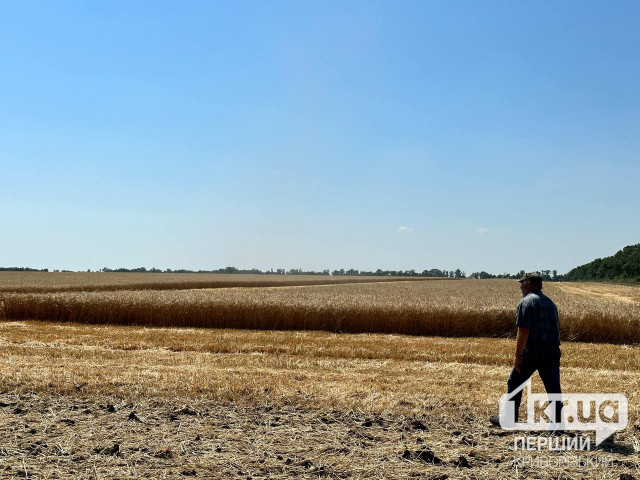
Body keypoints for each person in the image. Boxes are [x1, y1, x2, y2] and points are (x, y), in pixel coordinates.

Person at [491, 272, 562, 427]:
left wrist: (517, 355)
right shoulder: (550, 303)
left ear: (529, 284)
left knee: (515, 383)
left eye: (522, 282)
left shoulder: (527, 302)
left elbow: (523, 331)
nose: (520, 286)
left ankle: (509, 420)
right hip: (552, 352)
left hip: (533, 352)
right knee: (553, 388)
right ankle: (557, 425)